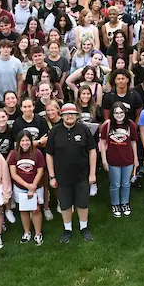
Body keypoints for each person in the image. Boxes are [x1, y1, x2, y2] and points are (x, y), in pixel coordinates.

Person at [46, 103, 98, 243]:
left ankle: (83, 227)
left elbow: (92, 151)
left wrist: (92, 173)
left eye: (72, 114)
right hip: (62, 176)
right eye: (66, 114)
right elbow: (49, 155)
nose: (69, 116)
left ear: (76, 115)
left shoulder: (84, 129)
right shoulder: (55, 132)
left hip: (82, 175)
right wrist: (52, 176)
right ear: (61, 115)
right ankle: (67, 229)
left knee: (82, 203)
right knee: (65, 204)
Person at [99, 103, 138, 218]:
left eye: (121, 112)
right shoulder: (108, 125)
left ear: (125, 113)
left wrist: (135, 159)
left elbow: (133, 142)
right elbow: (102, 143)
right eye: (116, 112)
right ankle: (115, 204)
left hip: (128, 159)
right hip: (113, 160)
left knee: (126, 183)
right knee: (115, 184)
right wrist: (104, 160)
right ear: (112, 113)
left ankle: (125, 203)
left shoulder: (130, 124)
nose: (119, 115)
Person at [7, 133, 46, 245]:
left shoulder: (37, 153)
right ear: (18, 142)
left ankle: (38, 234)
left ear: (31, 141)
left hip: (36, 187)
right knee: (23, 210)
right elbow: (13, 174)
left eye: (27, 140)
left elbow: (40, 171)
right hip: (20, 188)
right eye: (22, 141)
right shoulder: (14, 154)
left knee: (36, 210)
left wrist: (33, 186)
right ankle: (27, 232)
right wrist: (27, 185)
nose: (25, 143)